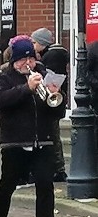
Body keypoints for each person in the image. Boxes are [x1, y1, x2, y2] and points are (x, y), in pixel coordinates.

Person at [0, 38, 65, 217]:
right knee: (7, 184)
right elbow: (3, 101)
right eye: (23, 59)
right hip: (15, 142)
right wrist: (26, 88)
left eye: (31, 58)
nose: (28, 63)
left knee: (45, 186)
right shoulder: (4, 78)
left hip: (44, 141)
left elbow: (58, 111)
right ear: (14, 60)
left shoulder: (44, 74)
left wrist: (56, 94)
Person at [31, 27, 69, 182]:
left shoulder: (50, 57)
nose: (33, 46)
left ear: (42, 43)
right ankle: (57, 168)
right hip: (55, 99)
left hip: (51, 99)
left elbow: (49, 79)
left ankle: (57, 169)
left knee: (52, 135)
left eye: (34, 42)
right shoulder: (57, 54)